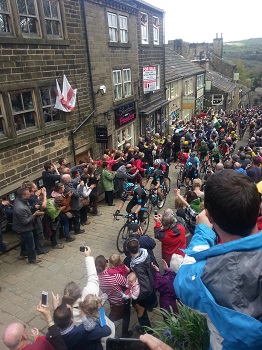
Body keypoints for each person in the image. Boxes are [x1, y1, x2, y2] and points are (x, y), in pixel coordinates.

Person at [174, 170, 262, 349]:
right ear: (258, 207)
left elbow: (183, 279)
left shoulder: (203, 275)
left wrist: (203, 233)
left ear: (210, 216)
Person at [95, 254, 132, 338]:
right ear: (106, 263)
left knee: (114, 313)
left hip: (111, 299)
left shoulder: (96, 277)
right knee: (125, 316)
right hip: (120, 300)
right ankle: (123, 333)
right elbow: (126, 284)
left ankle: (105, 324)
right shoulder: (115, 276)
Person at [126, 238, 158, 332]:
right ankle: (152, 306)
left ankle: (147, 329)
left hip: (144, 292)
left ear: (127, 249)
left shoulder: (137, 266)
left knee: (141, 313)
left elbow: (146, 288)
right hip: (151, 283)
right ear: (139, 246)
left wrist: (137, 298)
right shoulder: (145, 254)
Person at [12, 188, 45, 264]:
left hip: (21, 227)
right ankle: (32, 259)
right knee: (30, 244)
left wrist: (33, 207)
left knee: (24, 241)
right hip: (24, 228)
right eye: (28, 194)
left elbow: (26, 208)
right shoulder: (20, 208)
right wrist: (35, 215)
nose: (30, 195)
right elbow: (25, 221)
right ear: (23, 196)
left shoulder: (19, 200)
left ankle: (23, 253)